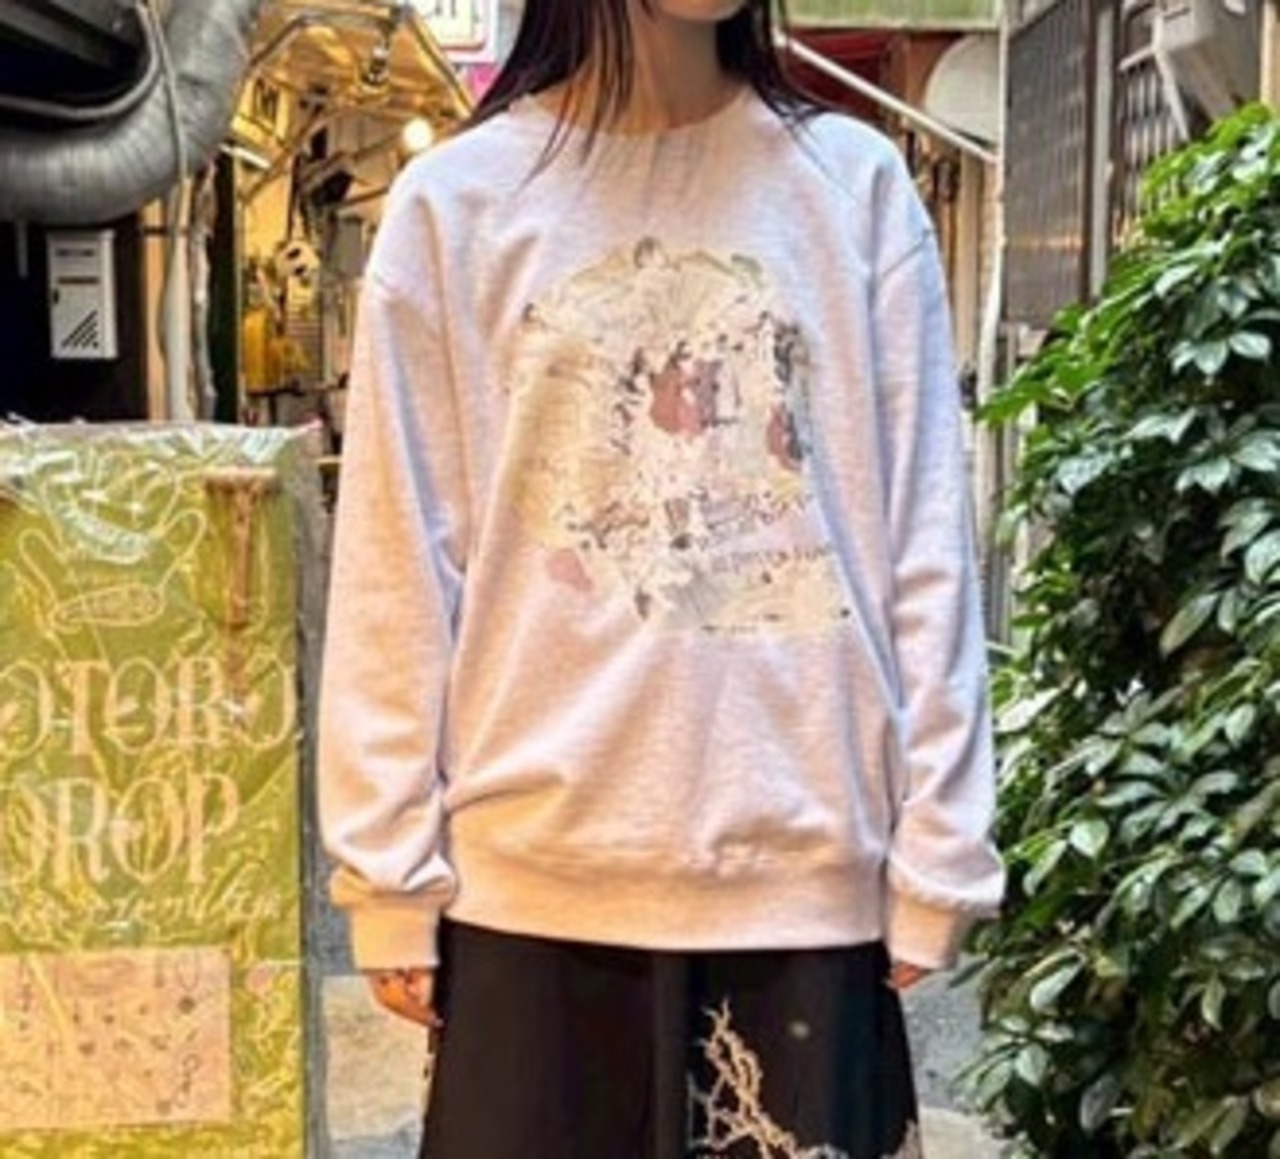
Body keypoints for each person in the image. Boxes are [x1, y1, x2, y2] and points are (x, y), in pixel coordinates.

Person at [318, 1, 1005, 1155]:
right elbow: (395, 560)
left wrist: (940, 839)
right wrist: (387, 867)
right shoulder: (457, 206)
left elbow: (922, 541)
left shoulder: (853, 187)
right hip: (531, 882)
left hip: (801, 873)